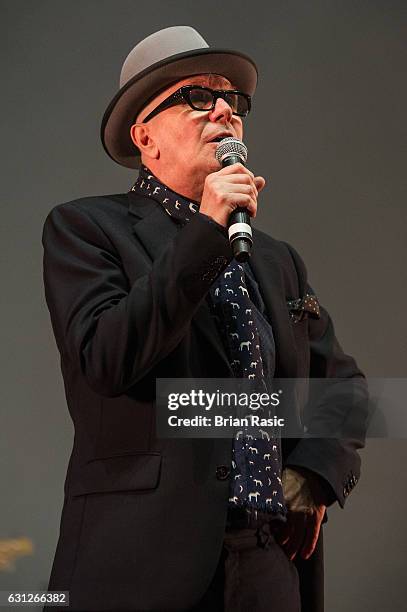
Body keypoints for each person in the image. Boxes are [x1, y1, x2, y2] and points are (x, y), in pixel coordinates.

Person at [42, 25, 367, 612]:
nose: (225, 110)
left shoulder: (276, 259)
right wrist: (206, 232)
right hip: (139, 562)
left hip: (269, 560)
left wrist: (311, 476)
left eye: (233, 101)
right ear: (145, 136)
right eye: (197, 96)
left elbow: (344, 389)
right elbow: (107, 360)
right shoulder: (85, 229)